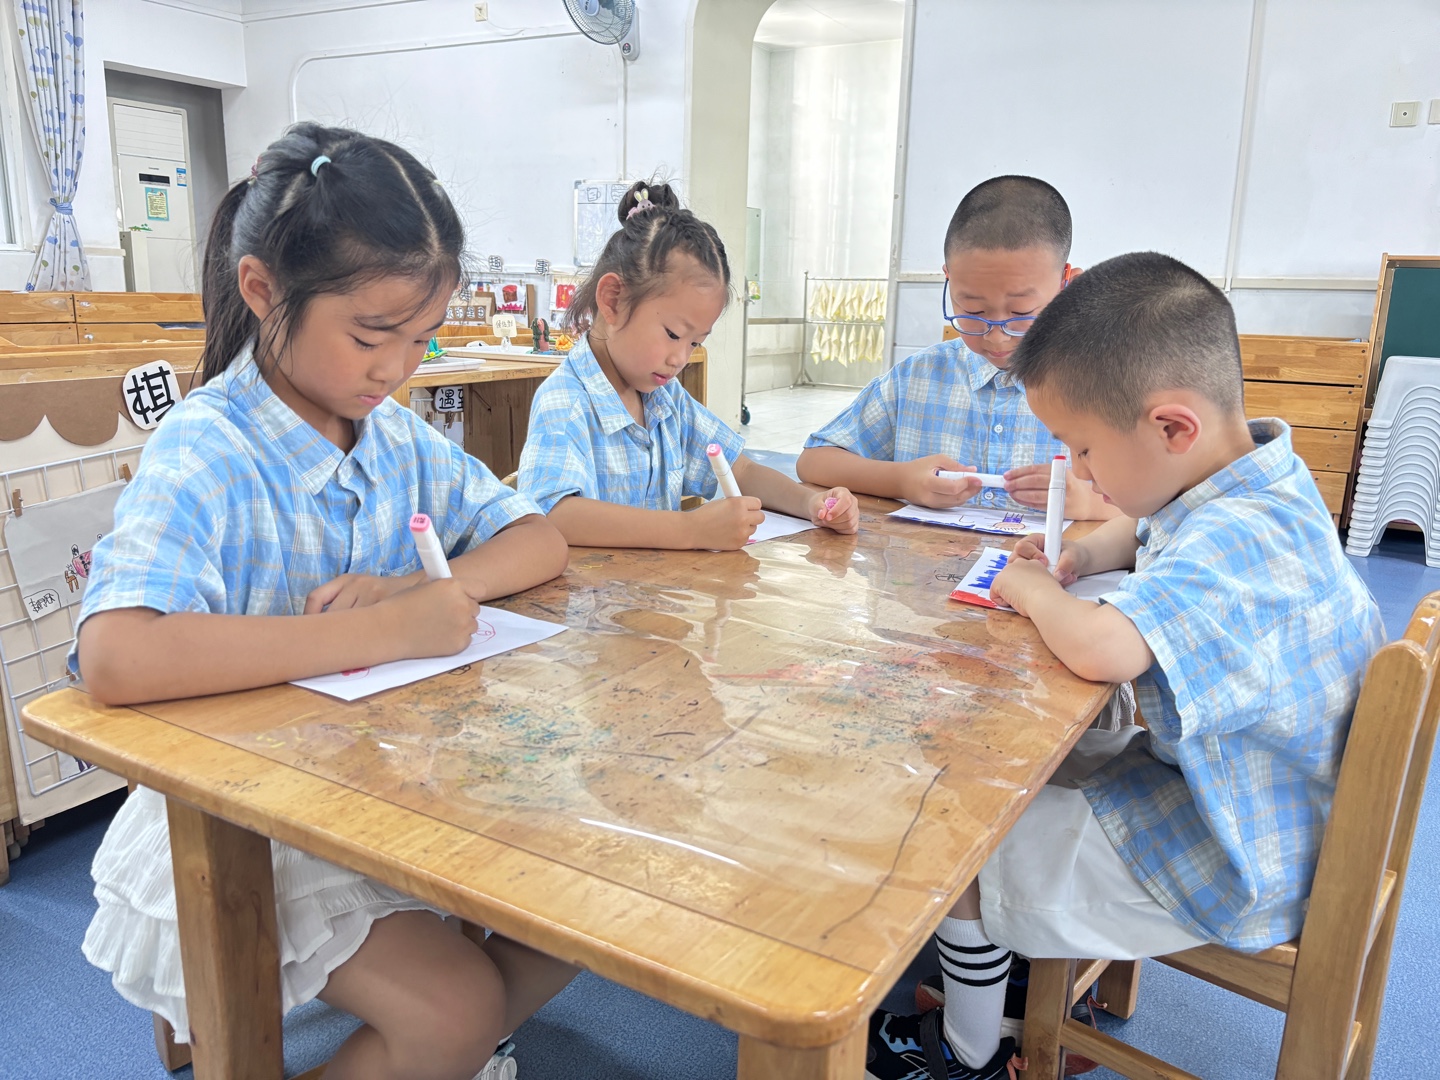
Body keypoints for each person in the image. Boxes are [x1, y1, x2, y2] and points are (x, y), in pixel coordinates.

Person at [72, 123, 576, 1080]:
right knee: (457, 1009)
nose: (398, 369)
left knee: (583, 907)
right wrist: (384, 629)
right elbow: (116, 655)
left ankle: (449, 1051)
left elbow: (539, 537)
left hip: (384, 786)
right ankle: (451, 1044)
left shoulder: (395, 438)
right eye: (372, 336)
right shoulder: (207, 447)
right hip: (242, 820)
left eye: (421, 340)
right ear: (264, 291)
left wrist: (435, 588)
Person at [864, 252, 1385, 1080]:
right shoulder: (1256, 477)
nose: (1080, 474)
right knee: (1019, 767)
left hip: (1240, 852)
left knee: (953, 826)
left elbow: (1103, 647)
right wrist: (1084, 553)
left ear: (1172, 427)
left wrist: (1032, 587)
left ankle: (969, 1050)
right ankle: (1013, 970)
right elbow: (1142, 532)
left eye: (1083, 450)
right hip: (1270, 793)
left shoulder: (1232, 539)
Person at [518, 180, 859, 549]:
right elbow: (551, 515)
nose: (681, 359)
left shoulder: (665, 399)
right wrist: (689, 529)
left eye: (695, 342)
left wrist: (810, 503)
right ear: (613, 300)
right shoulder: (566, 401)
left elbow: (740, 469)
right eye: (673, 334)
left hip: (658, 584)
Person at [796, 176, 1117, 521]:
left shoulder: (1108, 386)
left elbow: (1160, 506)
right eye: (973, 311)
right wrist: (901, 480)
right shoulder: (917, 377)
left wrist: (1089, 503)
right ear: (949, 279)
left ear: (1068, 285)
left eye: (1021, 312)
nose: (996, 337)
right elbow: (813, 462)